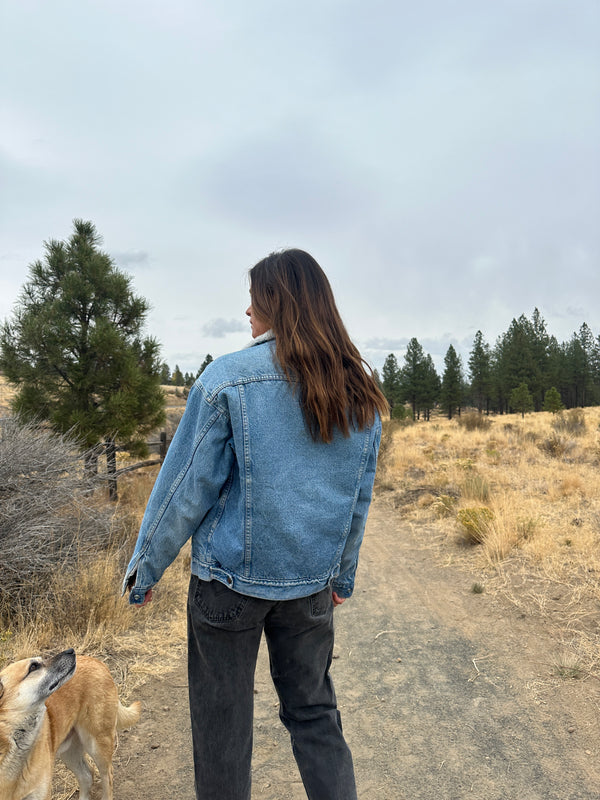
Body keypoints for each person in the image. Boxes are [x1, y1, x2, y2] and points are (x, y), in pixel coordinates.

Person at [122, 249, 388, 800]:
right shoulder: (357, 389)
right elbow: (356, 498)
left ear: (277, 303)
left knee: (222, 734)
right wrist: (341, 576)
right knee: (315, 716)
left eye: (255, 298)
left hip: (228, 589)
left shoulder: (227, 381)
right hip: (311, 588)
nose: (246, 311)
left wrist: (145, 569)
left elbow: (184, 488)